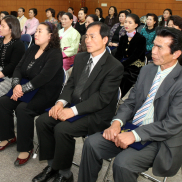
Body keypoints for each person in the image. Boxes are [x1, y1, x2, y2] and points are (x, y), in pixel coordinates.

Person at [78, 28, 182, 182]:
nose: (152, 51)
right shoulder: (147, 70)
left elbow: (172, 124)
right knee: (91, 143)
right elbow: (131, 102)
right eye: (153, 45)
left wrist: (135, 135)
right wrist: (117, 122)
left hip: (161, 138)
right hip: (134, 126)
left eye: (159, 47)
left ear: (176, 54)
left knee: (123, 164)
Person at [33, 22, 123, 182]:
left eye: (92, 37)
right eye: (86, 36)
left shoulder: (114, 66)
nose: (87, 40)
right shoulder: (81, 58)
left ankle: (65, 174)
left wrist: (72, 111)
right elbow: (71, 84)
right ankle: (53, 166)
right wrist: (60, 103)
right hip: (74, 105)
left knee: (62, 129)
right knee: (43, 121)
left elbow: (101, 99)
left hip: (97, 114)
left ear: (105, 39)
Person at [0, 22, 64, 168]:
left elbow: (43, 78)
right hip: (26, 86)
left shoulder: (55, 54)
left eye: (39, 31)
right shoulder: (33, 48)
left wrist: (21, 90)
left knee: (23, 109)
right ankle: (8, 137)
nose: (36, 34)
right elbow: (18, 67)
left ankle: (26, 148)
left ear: (50, 36)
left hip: (45, 91)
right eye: (36, 31)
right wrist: (16, 85)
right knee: (4, 102)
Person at [115, 14, 147, 98]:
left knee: (124, 76)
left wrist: (122, 65)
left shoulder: (141, 38)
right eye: (125, 22)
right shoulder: (123, 38)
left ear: (136, 25)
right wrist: (116, 64)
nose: (126, 24)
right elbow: (118, 53)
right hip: (123, 64)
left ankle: (119, 97)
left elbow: (135, 56)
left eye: (130, 22)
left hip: (134, 66)